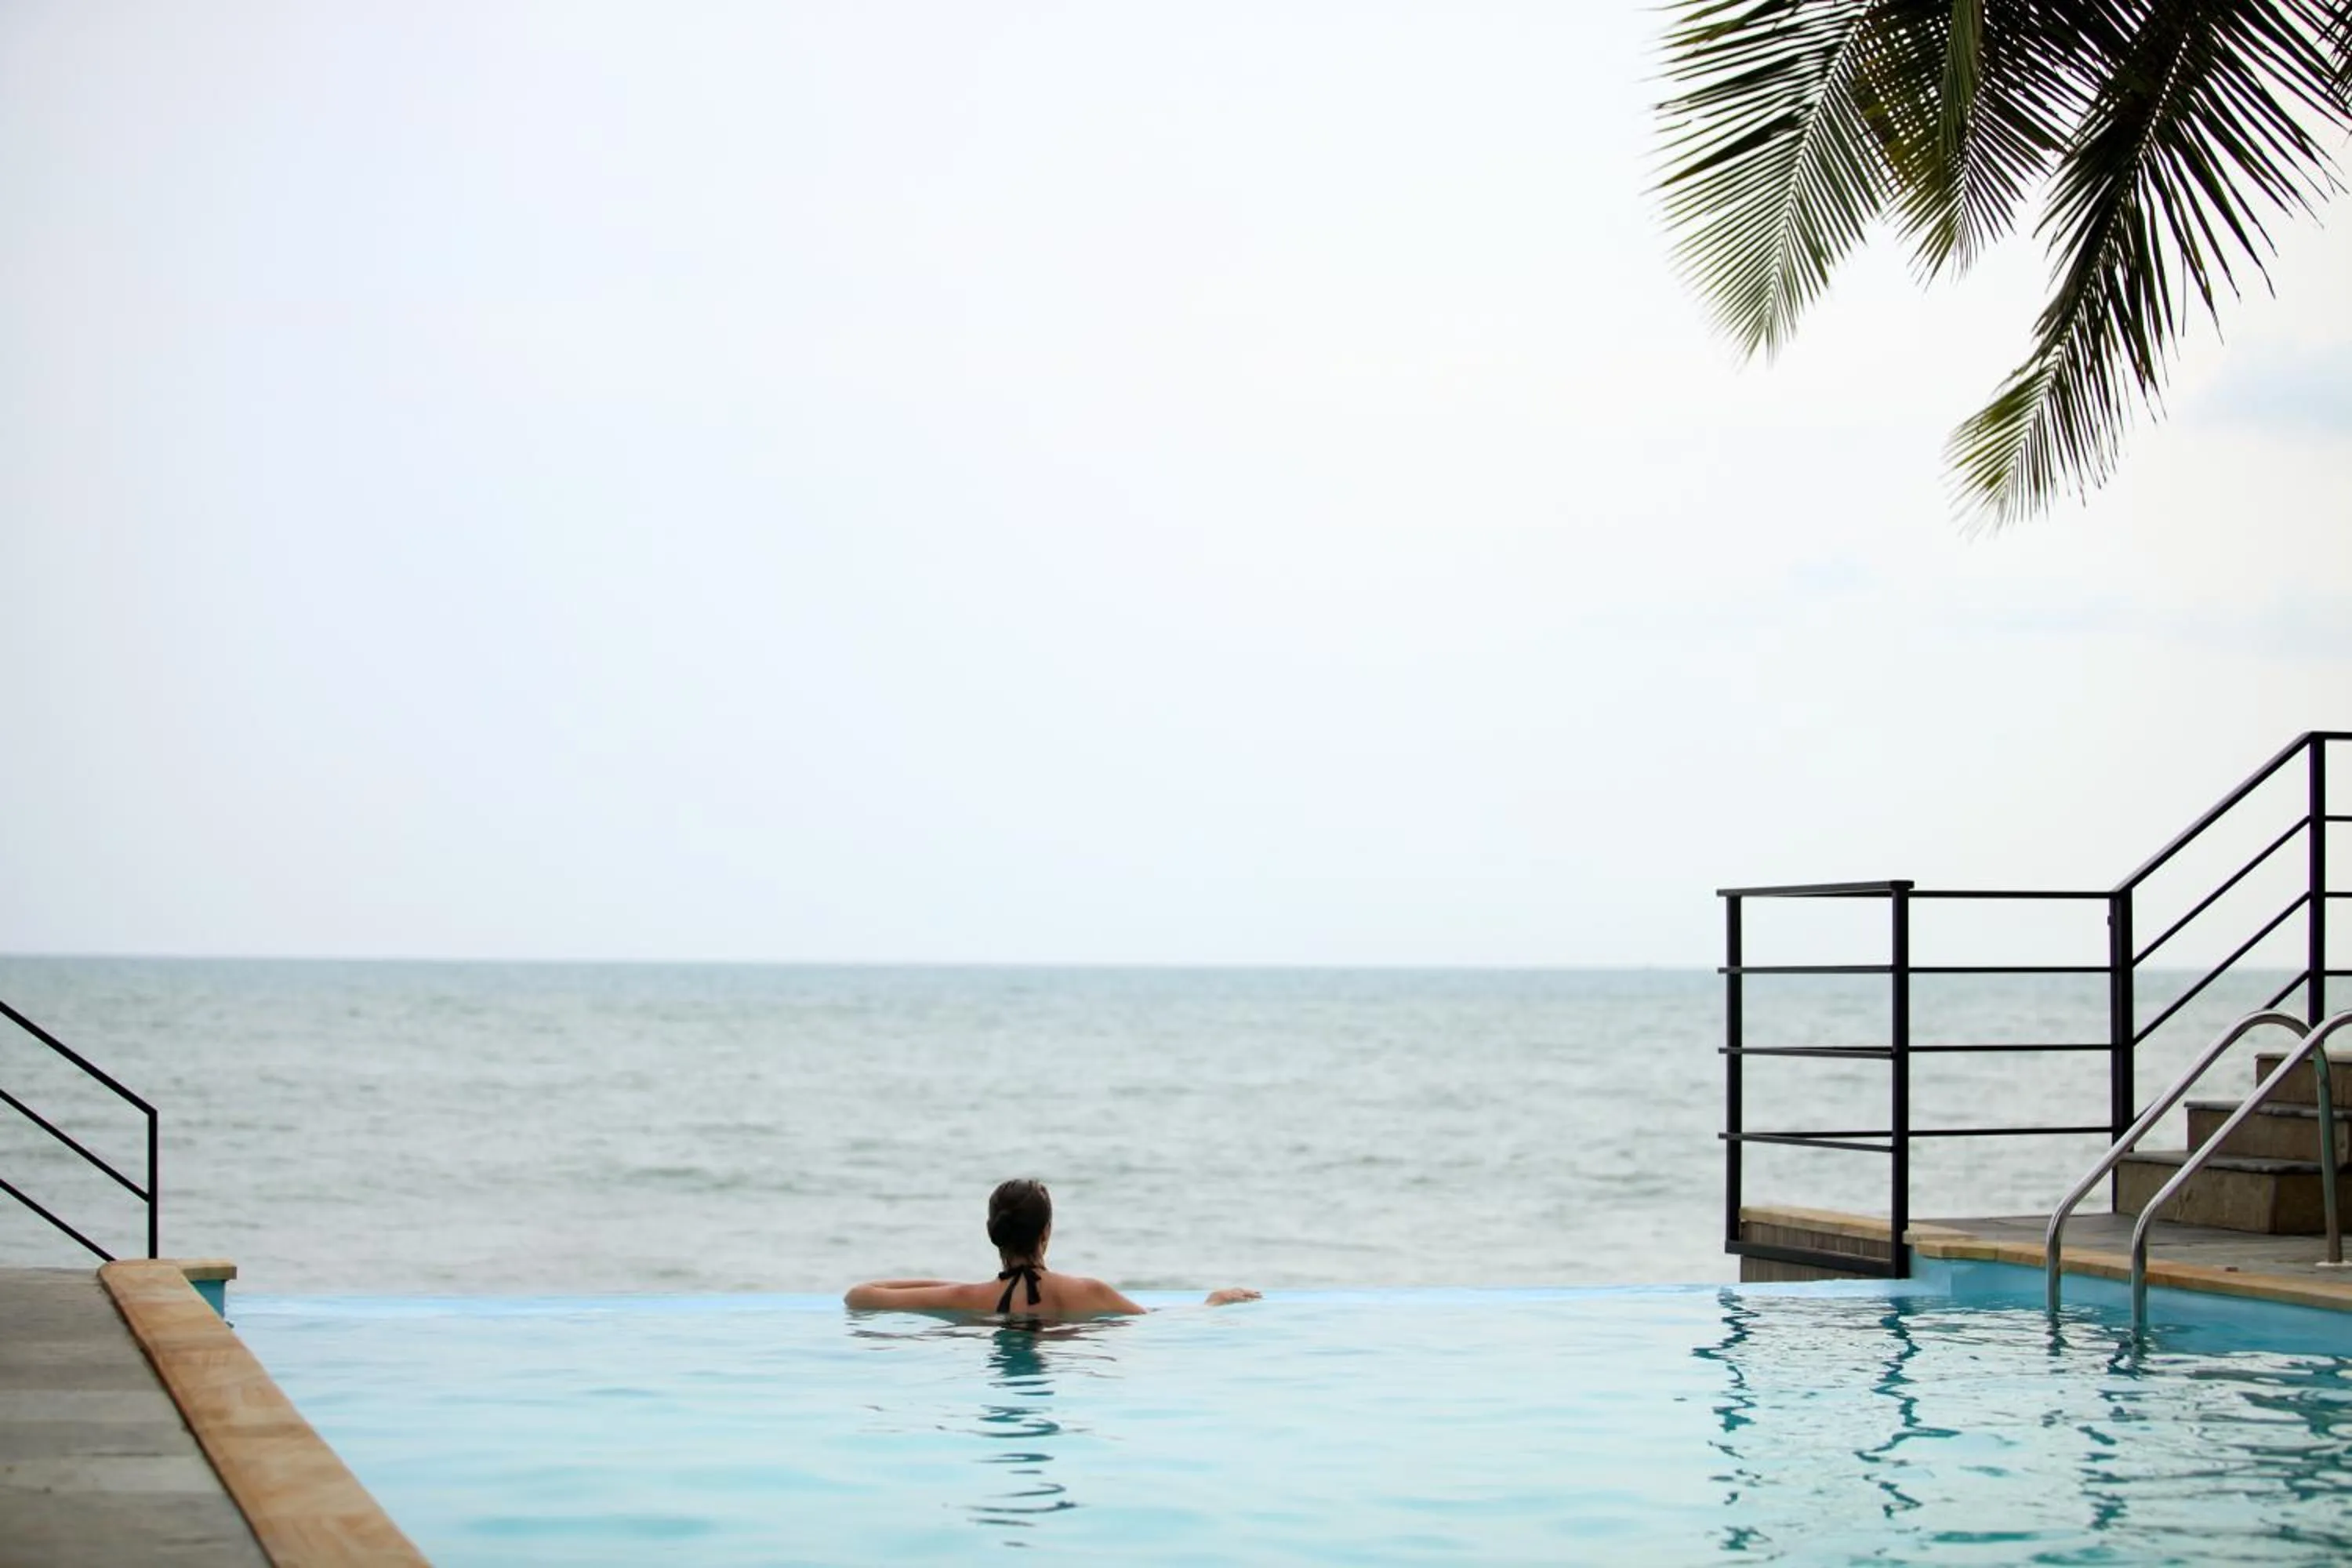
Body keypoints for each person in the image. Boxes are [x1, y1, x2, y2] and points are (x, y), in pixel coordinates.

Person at [844, 1178, 1260, 1317]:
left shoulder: (966, 1299)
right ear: (1047, 1231)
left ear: (992, 1232)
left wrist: (953, 1288)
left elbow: (858, 1296)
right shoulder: (1090, 1292)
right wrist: (1212, 1303)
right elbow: (1159, 1322)